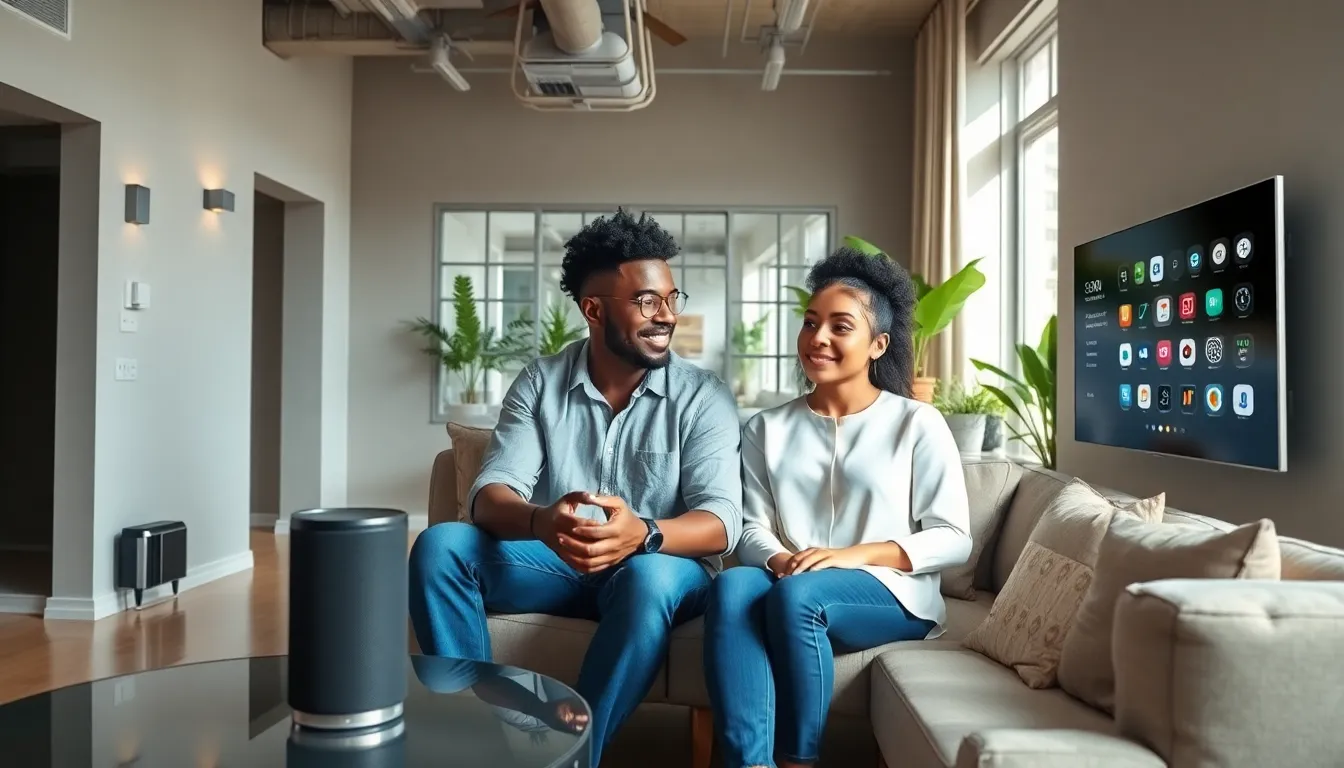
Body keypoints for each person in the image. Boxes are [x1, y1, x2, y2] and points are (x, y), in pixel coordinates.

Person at [408, 208, 744, 766]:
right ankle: (480, 742)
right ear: (593, 309)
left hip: (659, 568)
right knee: (441, 546)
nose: (667, 315)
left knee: (649, 577)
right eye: (647, 301)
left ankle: (574, 757)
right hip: (557, 561)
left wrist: (643, 533)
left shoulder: (703, 396)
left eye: (671, 298)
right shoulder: (540, 382)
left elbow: (722, 521)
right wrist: (541, 521)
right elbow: (490, 494)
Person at [702, 246, 972, 768]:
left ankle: (797, 760)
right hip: (791, 577)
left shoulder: (917, 423)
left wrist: (852, 556)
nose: (817, 337)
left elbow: (954, 538)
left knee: (798, 598)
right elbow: (752, 527)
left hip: (892, 591)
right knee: (733, 586)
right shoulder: (765, 428)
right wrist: (782, 559)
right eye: (810, 323)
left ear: (878, 345)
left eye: (840, 326)